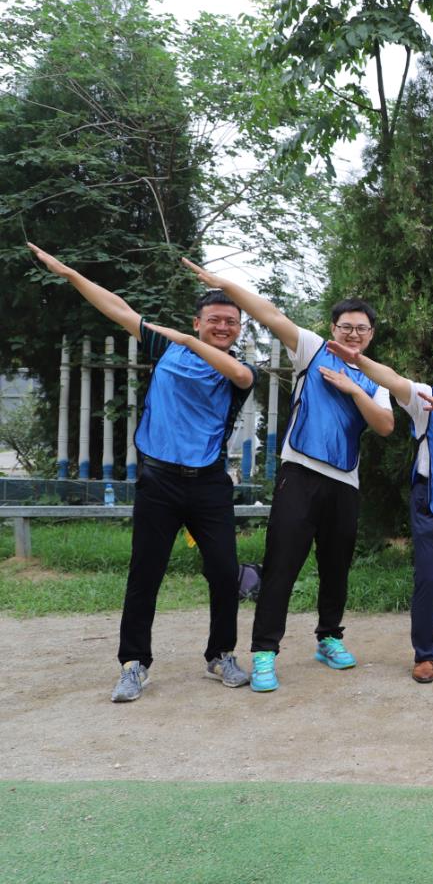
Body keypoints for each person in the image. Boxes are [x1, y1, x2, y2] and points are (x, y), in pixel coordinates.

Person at [30, 244, 255, 702]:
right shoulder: (165, 348)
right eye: (214, 319)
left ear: (238, 329)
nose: (223, 326)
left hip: (209, 483)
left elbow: (242, 377)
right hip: (159, 481)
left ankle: (221, 654)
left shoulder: (238, 369)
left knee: (223, 571)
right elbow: (117, 307)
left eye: (231, 322)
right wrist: (69, 273)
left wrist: (186, 341)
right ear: (197, 321)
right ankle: (134, 664)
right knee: (145, 574)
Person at [180, 259, 394, 692]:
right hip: (300, 474)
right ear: (333, 328)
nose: (353, 334)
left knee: (336, 568)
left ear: (371, 334)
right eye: (346, 327)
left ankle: (329, 638)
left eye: (361, 329)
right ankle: (264, 652)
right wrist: (224, 285)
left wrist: (354, 388)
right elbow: (270, 314)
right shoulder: (312, 349)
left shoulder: (376, 377)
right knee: (282, 565)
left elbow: (385, 425)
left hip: (345, 482)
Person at [322, 336, 433, 684]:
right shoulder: (423, 397)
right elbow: (392, 379)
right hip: (431, 501)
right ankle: (424, 654)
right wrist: (358, 360)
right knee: (430, 578)